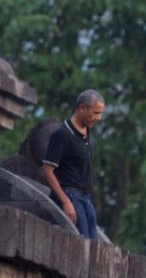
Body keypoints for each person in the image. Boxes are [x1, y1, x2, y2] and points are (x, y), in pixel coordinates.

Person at [40, 90, 105, 239]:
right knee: (81, 243)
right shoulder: (62, 135)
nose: (98, 118)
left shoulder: (87, 131)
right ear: (82, 108)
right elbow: (47, 170)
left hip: (85, 197)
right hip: (69, 193)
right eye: (95, 113)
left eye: (100, 113)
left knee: (94, 245)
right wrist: (65, 201)